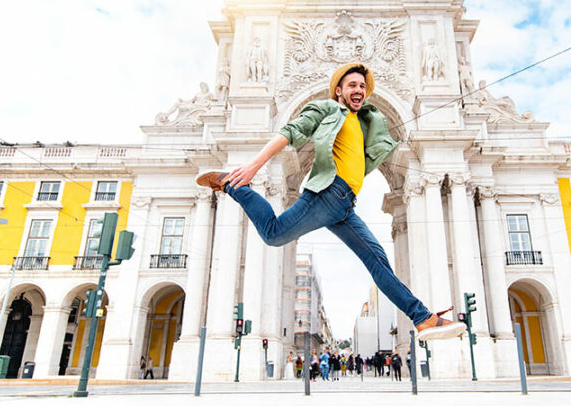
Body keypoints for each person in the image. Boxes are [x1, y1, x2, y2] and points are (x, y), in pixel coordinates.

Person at [197, 62, 465, 343]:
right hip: (326, 194)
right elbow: (290, 131)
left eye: (362, 86)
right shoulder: (327, 109)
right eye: (352, 85)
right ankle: (233, 185)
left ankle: (423, 318)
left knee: (379, 264)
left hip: (345, 206)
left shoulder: (365, 121)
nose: (358, 90)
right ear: (338, 91)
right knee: (273, 234)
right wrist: (253, 166)